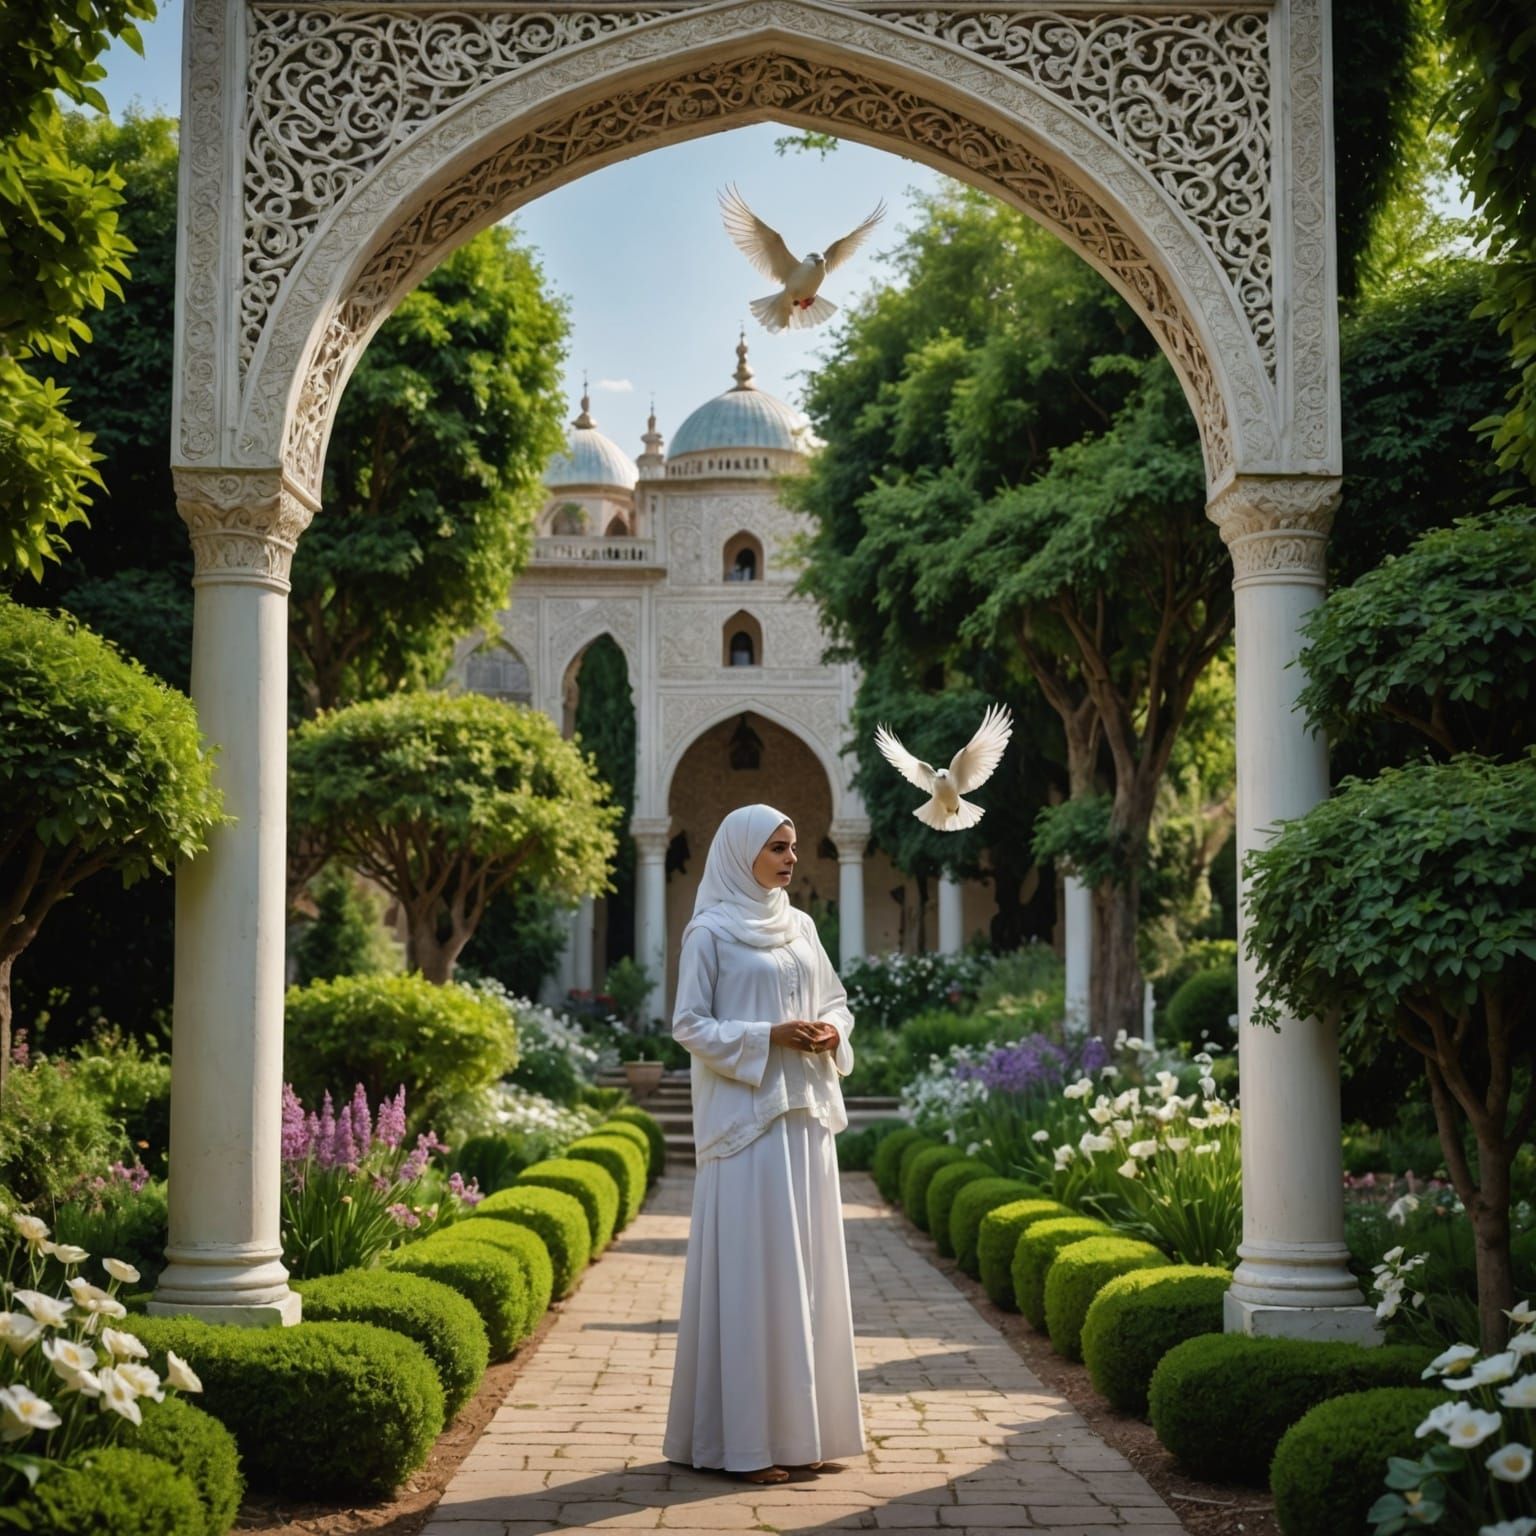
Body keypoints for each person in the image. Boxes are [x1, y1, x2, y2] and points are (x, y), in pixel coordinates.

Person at [662, 803, 865, 1485]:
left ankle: (806, 1436)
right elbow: (689, 1023)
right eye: (777, 847)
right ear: (741, 852)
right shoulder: (710, 932)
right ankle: (742, 1446)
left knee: (805, 1274)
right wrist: (767, 1036)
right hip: (746, 1127)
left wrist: (831, 1031)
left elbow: (836, 999)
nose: (789, 858)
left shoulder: (802, 925)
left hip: (804, 1118)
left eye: (793, 847)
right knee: (754, 1276)